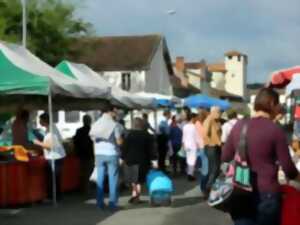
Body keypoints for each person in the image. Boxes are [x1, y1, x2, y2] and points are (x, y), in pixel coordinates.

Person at [222, 88, 300, 225]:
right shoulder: (275, 130)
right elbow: (288, 169)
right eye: (278, 105)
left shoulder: (239, 126)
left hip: (240, 191)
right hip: (267, 194)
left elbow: (225, 157)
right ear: (271, 104)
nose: (279, 108)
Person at [89, 106, 123, 210]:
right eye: (115, 111)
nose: (116, 113)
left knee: (100, 179)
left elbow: (93, 139)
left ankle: (99, 203)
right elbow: (119, 141)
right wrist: (122, 139)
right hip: (111, 153)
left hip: (99, 154)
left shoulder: (95, 124)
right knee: (113, 179)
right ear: (111, 112)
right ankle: (112, 203)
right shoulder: (114, 125)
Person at [121, 117, 157, 204]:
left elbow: (124, 147)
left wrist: (123, 157)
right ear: (141, 125)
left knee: (133, 180)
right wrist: (154, 159)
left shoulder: (129, 134)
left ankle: (135, 195)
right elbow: (151, 149)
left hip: (130, 160)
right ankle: (136, 196)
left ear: (133, 125)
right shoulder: (147, 135)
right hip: (143, 161)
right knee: (139, 180)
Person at [34, 113, 66, 201]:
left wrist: (37, 143)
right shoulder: (51, 128)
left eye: (40, 120)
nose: (39, 122)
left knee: (53, 178)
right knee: (55, 178)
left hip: (55, 157)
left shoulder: (51, 130)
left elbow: (50, 146)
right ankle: (56, 196)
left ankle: (53, 197)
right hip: (56, 156)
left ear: (45, 120)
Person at [73, 114, 94, 195]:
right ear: (90, 121)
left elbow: (75, 141)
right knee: (88, 172)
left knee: (83, 172)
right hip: (90, 154)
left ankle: (83, 188)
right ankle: (86, 189)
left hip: (81, 154)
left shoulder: (79, 130)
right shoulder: (92, 130)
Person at [203, 106, 222, 191]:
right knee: (214, 169)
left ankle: (209, 187)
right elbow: (205, 134)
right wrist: (214, 142)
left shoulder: (215, 120)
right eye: (218, 112)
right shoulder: (209, 120)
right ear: (213, 112)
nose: (220, 114)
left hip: (215, 147)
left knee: (214, 169)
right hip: (212, 147)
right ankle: (208, 188)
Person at [182, 113, 203, 181]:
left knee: (188, 160)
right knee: (192, 161)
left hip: (186, 145)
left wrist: (183, 145)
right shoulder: (194, 127)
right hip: (193, 146)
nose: (196, 119)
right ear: (193, 118)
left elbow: (183, 137)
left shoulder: (185, 126)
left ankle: (189, 173)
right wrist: (200, 146)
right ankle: (190, 175)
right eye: (196, 118)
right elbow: (197, 138)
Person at [195, 109, 209, 193]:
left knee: (205, 168)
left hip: (201, 147)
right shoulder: (200, 124)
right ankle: (203, 188)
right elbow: (204, 135)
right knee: (205, 169)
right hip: (204, 147)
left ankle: (204, 187)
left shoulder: (197, 123)